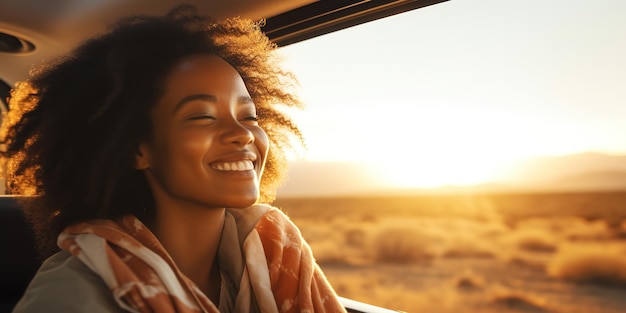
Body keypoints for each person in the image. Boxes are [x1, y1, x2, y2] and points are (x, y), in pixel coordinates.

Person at [1, 5, 346, 313]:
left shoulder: (277, 250)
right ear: (138, 149)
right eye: (202, 116)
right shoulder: (72, 296)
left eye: (250, 116)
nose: (243, 133)